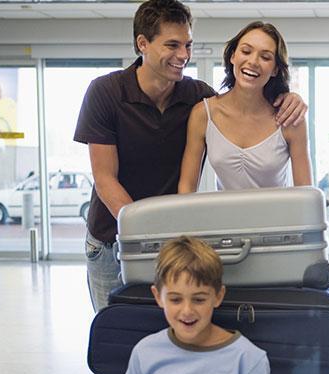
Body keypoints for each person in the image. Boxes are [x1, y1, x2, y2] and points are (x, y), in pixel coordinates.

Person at [73, 0, 306, 312]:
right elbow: (104, 178)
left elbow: (241, 101)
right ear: (143, 43)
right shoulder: (105, 92)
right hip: (112, 238)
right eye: (172, 45)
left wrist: (290, 97)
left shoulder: (198, 98)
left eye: (188, 45)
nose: (183, 55)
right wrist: (145, 234)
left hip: (171, 240)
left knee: (169, 342)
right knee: (115, 337)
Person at [118, 236, 276, 374]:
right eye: (175, 299)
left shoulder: (248, 359)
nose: (187, 311)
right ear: (158, 297)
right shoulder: (144, 352)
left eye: (199, 299)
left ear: (218, 296)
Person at [178, 21, 311, 193]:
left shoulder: (290, 119)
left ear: (275, 69)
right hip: (224, 219)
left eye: (265, 57)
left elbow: (307, 194)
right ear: (233, 56)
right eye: (246, 51)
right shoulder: (203, 114)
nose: (253, 61)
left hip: (279, 219)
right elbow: (187, 187)